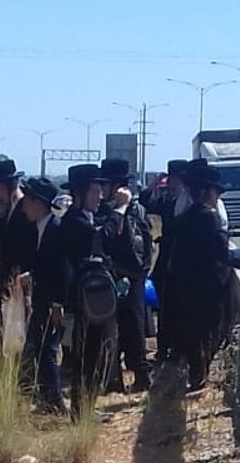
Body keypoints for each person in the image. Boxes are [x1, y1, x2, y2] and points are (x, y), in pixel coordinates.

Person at [58, 163, 118, 416]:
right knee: (87, 355)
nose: (100, 196)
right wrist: (120, 211)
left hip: (93, 297)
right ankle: (82, 411)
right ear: (81, 194)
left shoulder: (86, 217)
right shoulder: (75, 221)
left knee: (97, 353)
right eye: (95, 191)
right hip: (82, 301)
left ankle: (87, 407)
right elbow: (102, 238)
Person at [168, 162, 231, 393]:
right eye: (215, 192)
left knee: (193, 333)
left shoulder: (185, 217)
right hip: (208, 288)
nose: (217, 197)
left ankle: (197, 375)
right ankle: (200, 376)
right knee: (212, 331)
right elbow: (222, 252)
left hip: (186, 288)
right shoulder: (209, 218)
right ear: (205, 192)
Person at [99, 155, 152, 394]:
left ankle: (141, 376)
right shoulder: (103, 211)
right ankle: (114, 378)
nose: (101, 189)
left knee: (134, 327)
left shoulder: (135, 210)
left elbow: (139, 249)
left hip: (131, 277)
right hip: (110, 276)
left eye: (105, 184)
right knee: (110, 330)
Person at [18, 175, 67, 413]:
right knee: (40, 348)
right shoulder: (41, 228)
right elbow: (45, 265)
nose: (23, 205)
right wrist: (32, 275)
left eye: (27, 199)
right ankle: (47, 398)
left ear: (38, 202)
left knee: (48, 350)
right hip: (42, 299)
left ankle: (54, 402)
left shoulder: (55, 229)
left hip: (50, 302)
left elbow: (62, 269)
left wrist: (58, 303)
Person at [0, 156, 38, 347]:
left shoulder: (26, 208)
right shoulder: (4, 209)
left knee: (18, 328)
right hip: (3, 277)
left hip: (20, 279)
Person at [151, 159, 190, 362]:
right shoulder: (168, 202)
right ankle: (164, 348)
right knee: (164, 311)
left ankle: (176, 349)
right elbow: (147, 202)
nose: (172, 184)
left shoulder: (189, 205)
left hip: (181, 265)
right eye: (170, 179)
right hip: (165, 263)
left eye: (175, 179)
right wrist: (154, 184)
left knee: (177, 310)